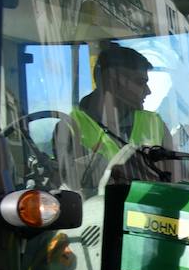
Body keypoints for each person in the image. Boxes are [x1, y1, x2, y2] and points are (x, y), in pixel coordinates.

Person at [55, 43, 170, 192]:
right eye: (140, 82)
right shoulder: (70, 127)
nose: (148, 91)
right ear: (112, 80)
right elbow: (70, 189)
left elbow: (175, 179)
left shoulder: (155, 123)